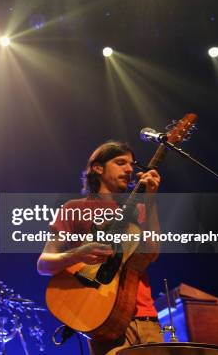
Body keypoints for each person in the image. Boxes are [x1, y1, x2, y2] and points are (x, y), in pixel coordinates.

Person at [37, 141, 162, 355]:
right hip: (100, 317)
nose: (130, 169)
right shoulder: (73, 208)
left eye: (132, 164)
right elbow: (44, 264)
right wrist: (78, 253)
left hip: (144, 318)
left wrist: (151, 199)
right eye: (120, 162)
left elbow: (152, 251)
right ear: (97, 168)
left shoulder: (142, 208)